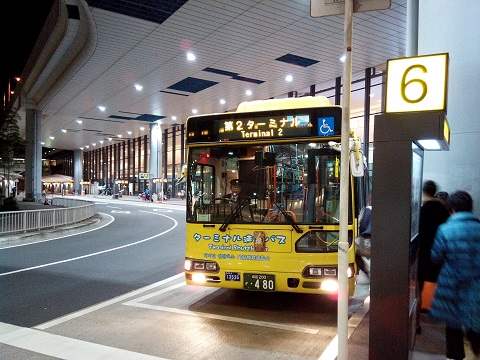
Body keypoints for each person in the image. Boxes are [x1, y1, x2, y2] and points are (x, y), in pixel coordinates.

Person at [430, 191, 480, 359]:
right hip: (476, 287)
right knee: (475, 324)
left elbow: (435, 257)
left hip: (453, 287)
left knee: (453, 327)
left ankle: (456, 356)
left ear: (451, 209)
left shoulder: (445, 229)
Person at [417, 181, 449, 299]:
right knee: (435, 279)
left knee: (425, 279)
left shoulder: (423, 210)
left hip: (425, 252)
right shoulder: (444, 210)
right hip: (441, 251)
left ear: (424, 192)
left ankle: (425, 304)